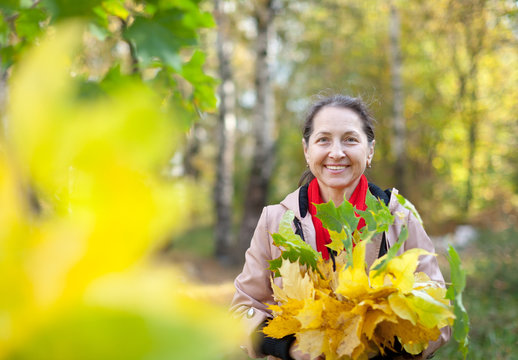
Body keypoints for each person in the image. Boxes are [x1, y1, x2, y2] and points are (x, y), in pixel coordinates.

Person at [230, 94, 450, 360]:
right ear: (306, 150)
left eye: (350, 139)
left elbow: (438, 312)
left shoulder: (399, 219)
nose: (336, 152)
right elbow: (242, 310)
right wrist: (288, 347)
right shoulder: (274, 221)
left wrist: (382, 343)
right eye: (323, 139)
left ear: (369, 151)